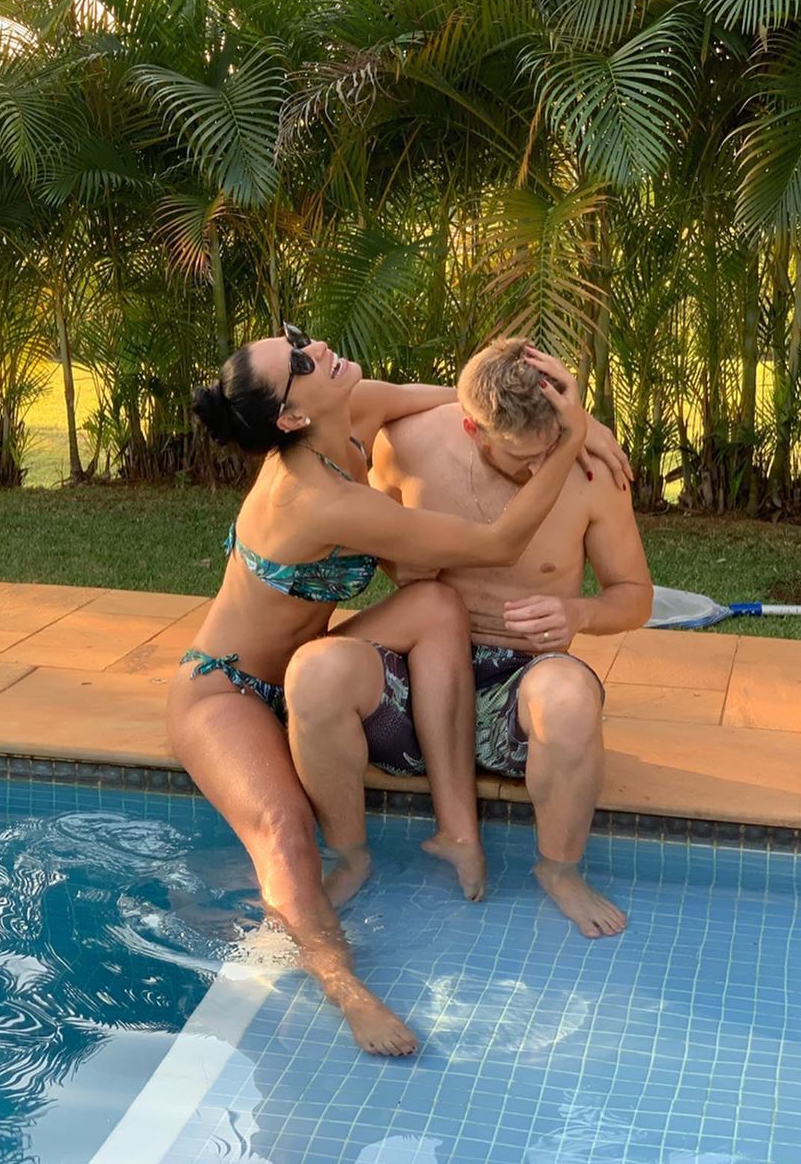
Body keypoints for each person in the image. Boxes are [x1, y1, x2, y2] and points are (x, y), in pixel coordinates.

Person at [166, 324, 590, 1056]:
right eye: (300, 361)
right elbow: (497, 544)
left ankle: (458, 831)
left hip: (306, 672)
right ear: (291, 417)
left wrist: (568, 424)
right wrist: (571, 444)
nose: (315, 348)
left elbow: (464, 401)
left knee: (435, 605)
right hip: (228, 690)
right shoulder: (315, 498)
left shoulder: (352, 407)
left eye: (298, 338)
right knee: (284, 833)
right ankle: (344, 987)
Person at [301, 337, 652, 940]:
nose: (540, 471)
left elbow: (634, 595)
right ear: (473, 427)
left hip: (517, 689)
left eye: (551, 450)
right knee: (317, 673)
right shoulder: (408, 446)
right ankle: (350, 856)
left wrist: (577, 613)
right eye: (522, 458)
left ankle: (559, 870)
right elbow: (369, 533)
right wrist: (399, 564)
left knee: (569, 700)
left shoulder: (592, 469)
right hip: (413, 683)